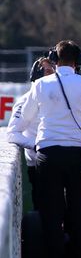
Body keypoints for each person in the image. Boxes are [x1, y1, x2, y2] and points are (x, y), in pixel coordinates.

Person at [15, 41, 81, 258]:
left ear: (54, 58)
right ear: (80, 61)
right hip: (78, 156)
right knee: (80, 215)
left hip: (48, 155)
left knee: (51, 216)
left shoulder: (41, 85)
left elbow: (24, 121)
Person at [6, 56, 56, 210]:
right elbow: (13, 133)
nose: (52, 76)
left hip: (61, 161)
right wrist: (38, 146)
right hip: (39, 167)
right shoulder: (25, 101)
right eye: (47, 71)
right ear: (37, 75)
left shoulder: (59, 98)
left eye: (53, 72)